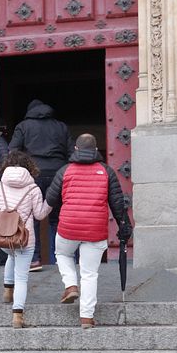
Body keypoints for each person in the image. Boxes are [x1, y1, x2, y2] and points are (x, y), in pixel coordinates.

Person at [46, 133, 131, 329]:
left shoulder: (65, 171)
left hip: (69, 226)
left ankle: (70, 285)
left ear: (75, 149)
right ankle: (86, 317)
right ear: (95, 150)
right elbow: (117, 203)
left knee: (62, 253)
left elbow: (51, 199)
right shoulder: (106, 171)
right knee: (90, 273)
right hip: (95, 229)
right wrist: (124, 226)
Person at [0, 151, 52, 328]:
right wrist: (49, 204)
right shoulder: (33, 188)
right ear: (29, 167)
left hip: (4, 237)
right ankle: (17, 316)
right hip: (25, 238)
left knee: (10, 256)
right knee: (22, 277)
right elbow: (39, 215)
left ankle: (7, 292)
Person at [9, 100, 74, 270]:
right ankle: (60, 258)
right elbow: (71, 153)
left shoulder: (23, 126)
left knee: (32, 218)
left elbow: (13, 151)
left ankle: (34, 259)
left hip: (34, 175)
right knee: (57, 218)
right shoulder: (61, 126)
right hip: (57, 175)